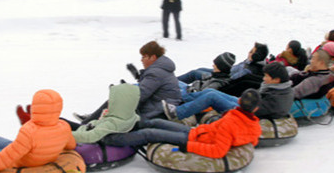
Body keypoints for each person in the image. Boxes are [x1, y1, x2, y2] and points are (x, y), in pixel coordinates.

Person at [104, 89, 263, 159]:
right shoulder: (254, 126)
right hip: (197, 133)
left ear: (240, 101)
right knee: (156, 122)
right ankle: (126, 125)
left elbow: (218, 151)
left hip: (192, 140)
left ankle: (108, 138)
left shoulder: (231, 122)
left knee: (149, 133)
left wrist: (189, 147)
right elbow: (251, 140)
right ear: (255, 109)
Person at [0, 90, 76, 173]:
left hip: (18, 162)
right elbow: (71, 145)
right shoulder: (65, 127)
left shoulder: (29, 131)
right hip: (25, 151)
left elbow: (5, 158)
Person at [79, 41, 181, 123]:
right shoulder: (160, 69)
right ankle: (94, 118)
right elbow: (149, 88)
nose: (141, 60)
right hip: (158, 104)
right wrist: (137, 78)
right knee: (119, 99)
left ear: (153, 57)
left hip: (157, 110)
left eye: (143, 57)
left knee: (117, 100)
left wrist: (123, 93)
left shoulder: (156, 72)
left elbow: (141, 95)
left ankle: (89, 122)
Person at [70, 84, 140, 144]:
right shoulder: (130, 116)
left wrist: (62, 134)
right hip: (89, 127)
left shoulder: (112, 123)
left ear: (119, 103)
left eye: (112, 100)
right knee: (61, 122)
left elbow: (89, 136)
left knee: (61, 121)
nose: (108, 102)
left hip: (85, 132)